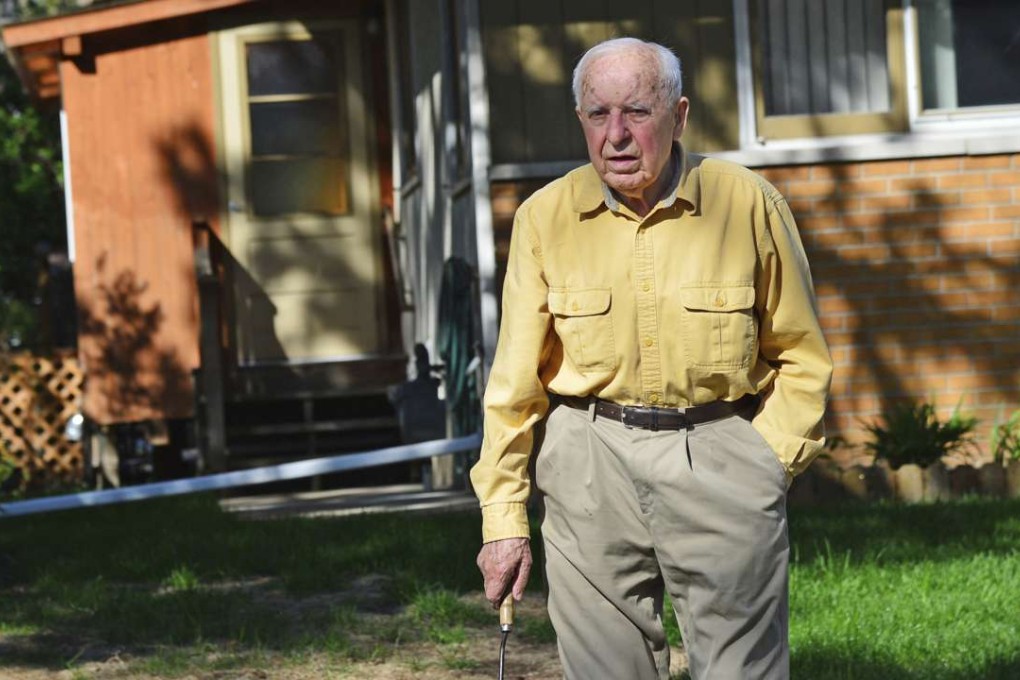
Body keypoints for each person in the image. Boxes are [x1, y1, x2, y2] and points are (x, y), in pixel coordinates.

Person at [470, 36, 833, 680]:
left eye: (637, 111)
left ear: (680, 115)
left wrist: (765, 465)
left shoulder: (747, 204)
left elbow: (802, 355)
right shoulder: (543, 219)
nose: (616, 135)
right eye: (597, 114)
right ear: (580, 120)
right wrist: (503, 517)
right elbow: (514, 385)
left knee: (741, 671)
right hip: (587, 460)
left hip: (720, 452)